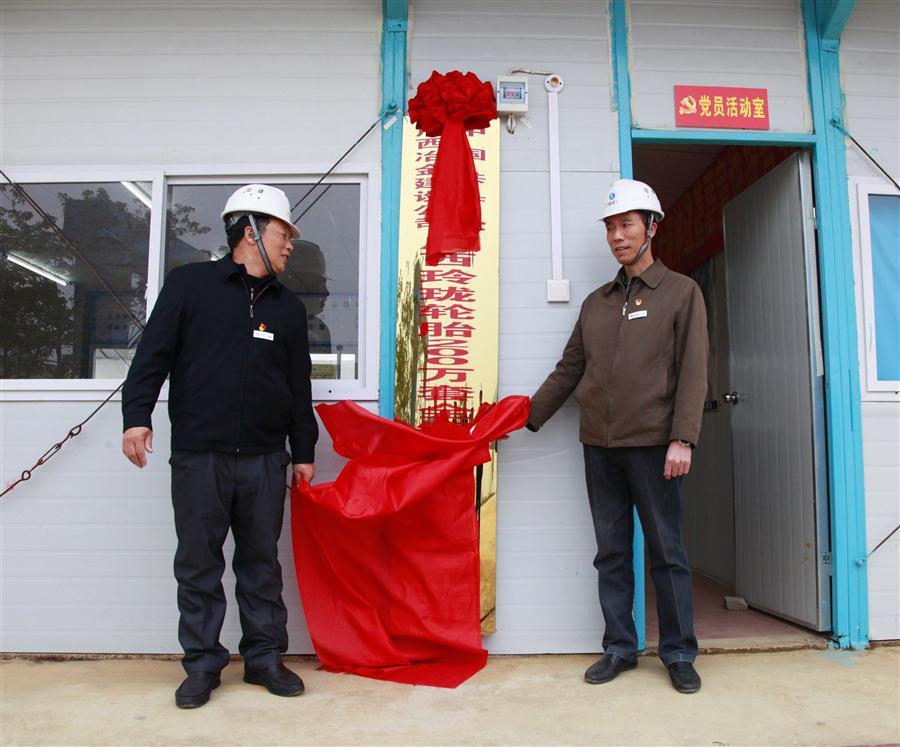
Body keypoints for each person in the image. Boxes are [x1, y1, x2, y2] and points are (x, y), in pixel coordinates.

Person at [121, 184, 318, 708]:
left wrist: (303, 451)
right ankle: (203, 665)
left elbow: (299, 387)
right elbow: (152, 357)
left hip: (263, 458)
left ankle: (264, 658)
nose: (290, 244)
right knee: (198, 563)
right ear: (250, 231)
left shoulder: (287, 309)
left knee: (261, 564)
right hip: (199, 456)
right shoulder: (190, 286)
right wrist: (136, 418)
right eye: (283, 234)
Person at [527, 179, 708, 694]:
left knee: (666, 552)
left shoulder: (681, 293)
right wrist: (522, 416)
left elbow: (694, 370)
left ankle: (678, 652)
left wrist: (683, 438)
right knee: (610, 553)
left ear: (651, 228)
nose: (617, 237)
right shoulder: (596, 303)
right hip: (600, 448)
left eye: (626, 225)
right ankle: (620, 648)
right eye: (610, 227)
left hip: (654, 446)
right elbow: (569, 369)